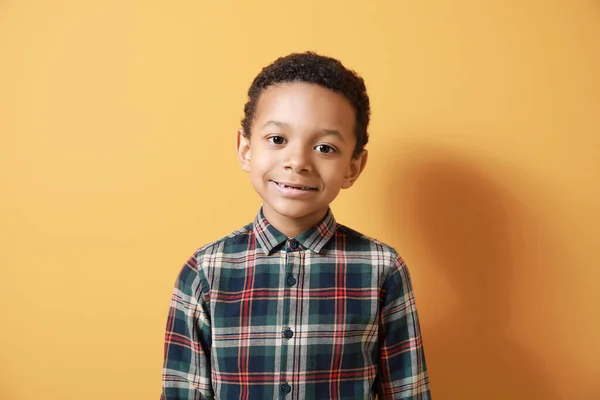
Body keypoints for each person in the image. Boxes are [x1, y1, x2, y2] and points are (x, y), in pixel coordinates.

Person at [161, 51, 431, 399]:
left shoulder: (383, 269)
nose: (298, 162)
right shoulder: (204, 272)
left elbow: (408, 391)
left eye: (324, 147)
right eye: (277, 139)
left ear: (354, 167)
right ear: (245, 148)